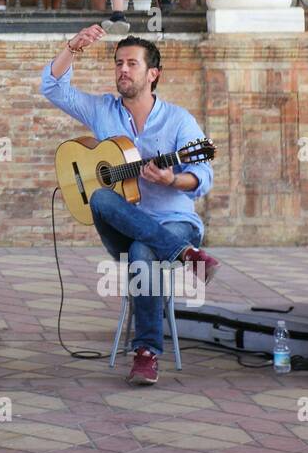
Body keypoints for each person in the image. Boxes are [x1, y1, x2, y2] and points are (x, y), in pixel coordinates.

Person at [41, 28, 216, 386]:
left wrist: (172, 180)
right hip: (122, 224)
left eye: (132, 64)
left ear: (153, 74)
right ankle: (185, 256)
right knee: (102, 197)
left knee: (143, 250)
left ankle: (146, 353)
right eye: (119, 63)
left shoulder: (179, 121)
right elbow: (53, 88)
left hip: (174, 221)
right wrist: (72, 48)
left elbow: (203, 175)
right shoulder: (103, 110)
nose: (123, 70)